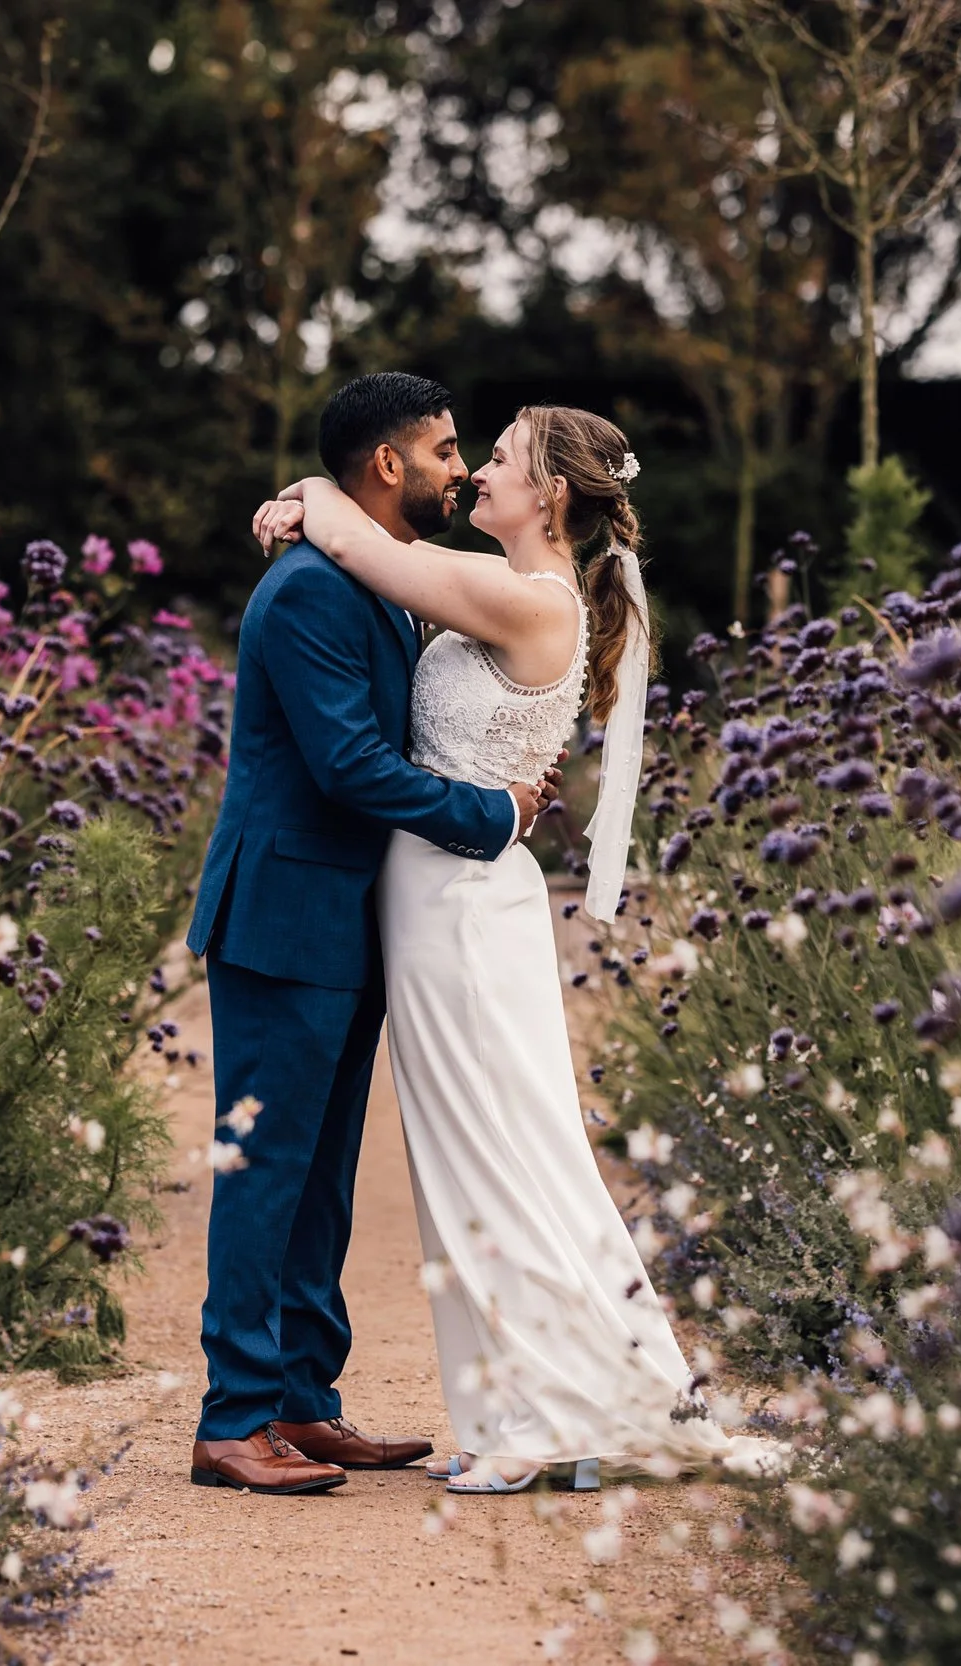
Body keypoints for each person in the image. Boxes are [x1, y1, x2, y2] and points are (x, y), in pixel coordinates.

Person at [253, 404, 763, 1494]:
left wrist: (305, 499)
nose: (478, 471)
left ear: (550, 497)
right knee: (475, 1155)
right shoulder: (509, 588)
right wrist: (308, 504)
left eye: (498, 461)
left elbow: (360, 544)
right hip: (443, 897)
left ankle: (531, 1420)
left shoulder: (525, 597)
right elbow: (368, 545)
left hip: (464, 904)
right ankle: (538, 1407)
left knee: (491, 1152)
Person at [183, 373, 562, 1496]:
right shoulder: (305, 591)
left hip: (347, 925)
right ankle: (232, 1418)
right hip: (282, 916)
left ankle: (303, 1401)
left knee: (323, 1178)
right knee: (264, 1167)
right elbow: (349, 765)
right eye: (446, 450)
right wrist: (490, 816)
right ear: (387, 464)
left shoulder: (377, 579)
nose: (461, 467)